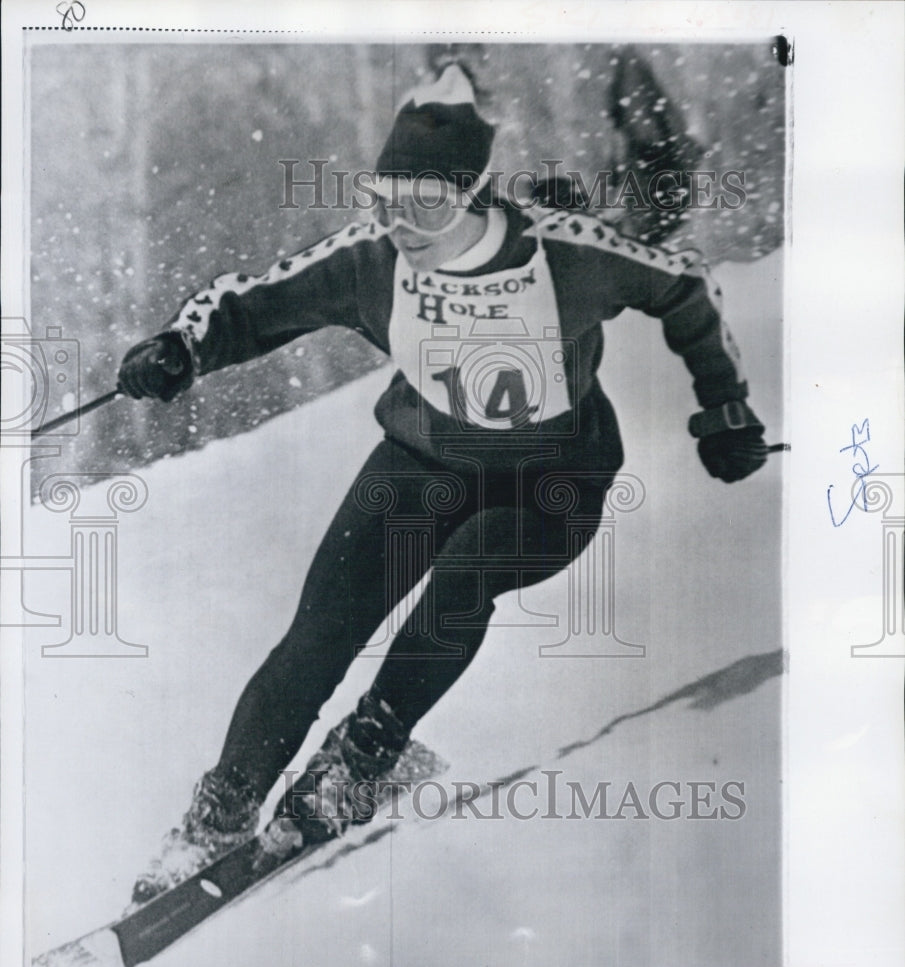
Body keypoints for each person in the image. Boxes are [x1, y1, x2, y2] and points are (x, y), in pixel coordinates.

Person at [118, 64, 768, 904]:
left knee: (468, 570)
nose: (401, 225)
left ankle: (364, 758)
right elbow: (250, 302)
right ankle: (215, 820)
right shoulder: (374, 260)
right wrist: (181, 349)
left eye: (424, 205)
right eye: (386, 201)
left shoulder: (564, 253)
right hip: (422, 464)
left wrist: (725, 410)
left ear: (476, 197)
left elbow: (681, 285)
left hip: (550, 481)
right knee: (320, 631)